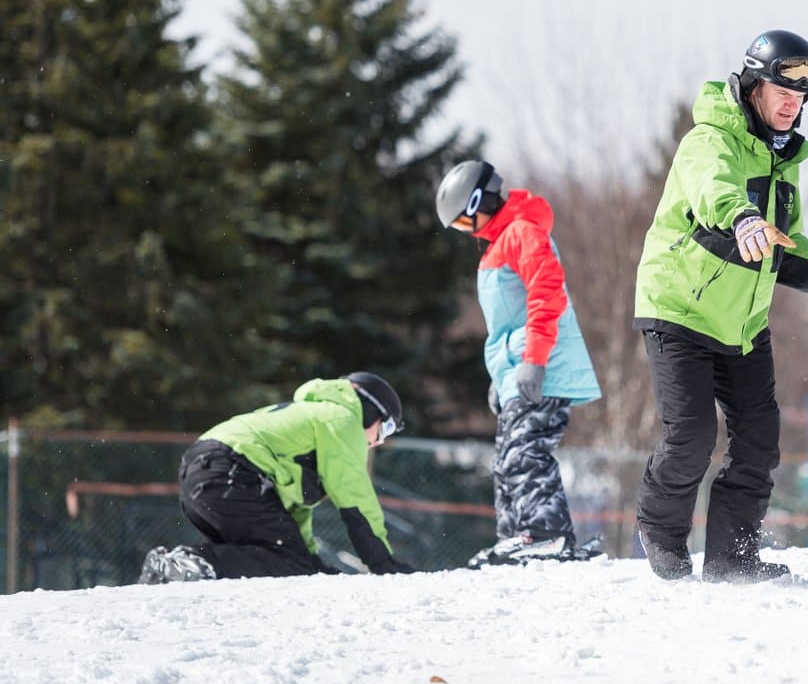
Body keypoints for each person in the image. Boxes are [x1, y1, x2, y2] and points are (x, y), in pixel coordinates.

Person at [632, 29, 808, 583]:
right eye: (783, 90)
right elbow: (716, 193)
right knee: (692, 435)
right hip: (678, 307)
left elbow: (787, 246)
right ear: (754, 84)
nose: (792, 103)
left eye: (802, 97)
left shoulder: (785, 158)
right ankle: (660, 529)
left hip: (743, 322)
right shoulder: (710, 140)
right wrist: (743, 217)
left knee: (759, 439)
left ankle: (732, 557)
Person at [436, 159, 603, 566]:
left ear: (480, 201)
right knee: (505, 460)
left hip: (543, 366)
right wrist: (502, 376)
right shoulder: (499, 242)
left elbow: (547, 293)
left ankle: (545, 534)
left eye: (464, 222)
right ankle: (516, 537)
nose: (466, 232)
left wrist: (533, 361)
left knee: (525, 453)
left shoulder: (523, 232)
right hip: (519, 370)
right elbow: (506, 323)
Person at [139, 372, 415, 583]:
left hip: (205, 472)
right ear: (371, 409)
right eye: (385, 429)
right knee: (286, 561)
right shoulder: (342, 418)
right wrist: (382, 563)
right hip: (232, 470)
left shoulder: (310, 417)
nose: (377, 441)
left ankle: (179, 569)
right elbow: (355, 496)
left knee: (277, 556)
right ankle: (187, 563)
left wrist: (312, 567)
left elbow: (290, 514)